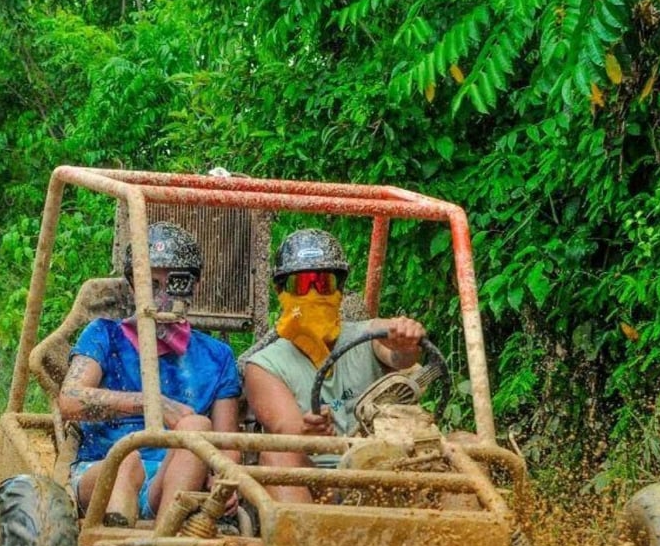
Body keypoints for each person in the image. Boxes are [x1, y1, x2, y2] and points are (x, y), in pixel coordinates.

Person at [58, 222, 241, 527]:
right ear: (132, 287)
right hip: (104, 468)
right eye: (150, 284)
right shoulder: (105, 335)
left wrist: (226, 481)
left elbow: (228, 445)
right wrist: (148, 402)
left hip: (174, 479)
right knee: (127, 461)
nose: (161, 297)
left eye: (174, 283)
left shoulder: (216, 356)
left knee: (196, 425)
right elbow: (70, 399)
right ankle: (118, 541)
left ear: (193, 286)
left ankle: (163, 541)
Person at [242, 228, 426, 502]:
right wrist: (308, 430)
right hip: (318, 482)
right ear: (281, 291)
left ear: (339, 289)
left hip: (388, 472)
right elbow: (285, 428)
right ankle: (305, 542)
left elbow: (398, 355)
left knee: (462, 445)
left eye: (324, 283)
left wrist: (405, 340)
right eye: (301, 285)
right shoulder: (263, 365)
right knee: (277, 454)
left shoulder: (369, 335)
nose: (314, 293)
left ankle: (471, 541)